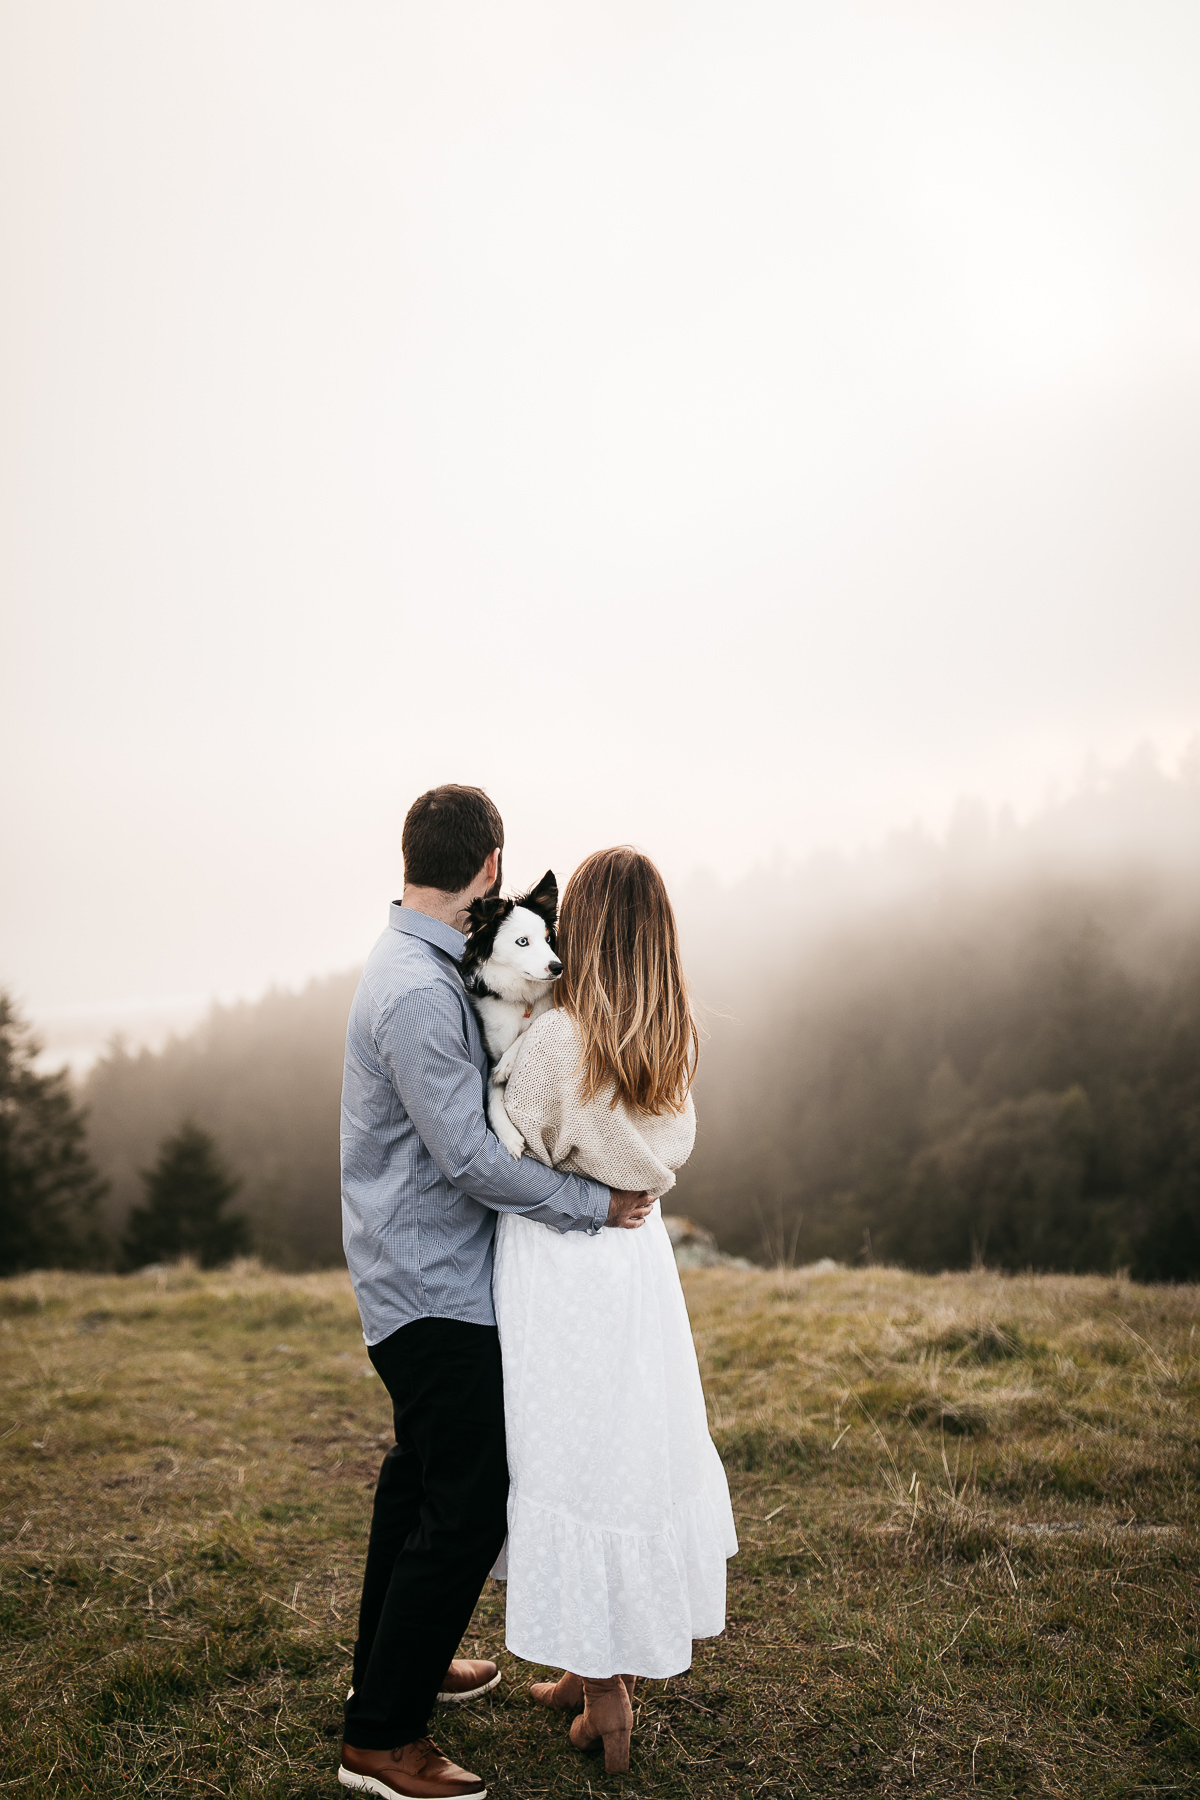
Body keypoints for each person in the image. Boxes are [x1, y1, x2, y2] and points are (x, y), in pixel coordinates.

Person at [338, 788, 655, 1800]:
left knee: (418, 1479)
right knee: (469, 1506)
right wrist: (591, 1203)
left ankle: (403, 1667)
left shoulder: (422, 967)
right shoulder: (421, 993)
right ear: (489, 868)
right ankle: (382, 1742)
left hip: (417, 1275)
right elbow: (472, 1158)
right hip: (431, 1289)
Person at [493, 846, 739, 1774]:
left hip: (562, 1265)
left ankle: (605, 1698)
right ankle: (589, 1666)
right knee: (627, 1451)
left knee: (569, 1457)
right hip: (638, 1263)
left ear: (583, 932)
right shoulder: (670, 1038)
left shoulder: (559, 1041)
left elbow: (513, 1144)